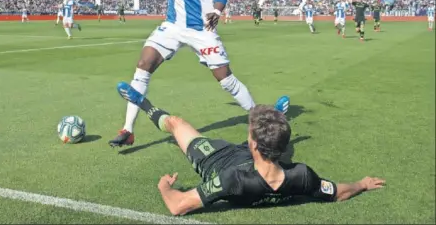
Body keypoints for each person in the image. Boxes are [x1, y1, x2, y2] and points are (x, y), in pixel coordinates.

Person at [115, 81, 386, 216]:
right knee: (269, 146)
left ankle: (143, 103)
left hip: (214, 158)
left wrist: (164, 186)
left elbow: (178, 205)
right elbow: (338, 192)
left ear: (255, 144)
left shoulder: (233, 181)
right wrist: (361, 183)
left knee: (176, 124)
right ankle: (276, 121)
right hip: (251, 158)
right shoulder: (301, 175)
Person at [105, 0, 256, 147]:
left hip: (201, 30)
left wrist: (217, 11)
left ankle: (259, 118)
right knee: (144, 64)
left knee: (225, 79)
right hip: (173, 26)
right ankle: (128, 129)